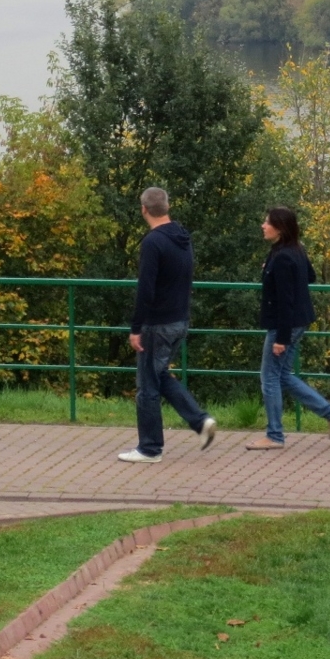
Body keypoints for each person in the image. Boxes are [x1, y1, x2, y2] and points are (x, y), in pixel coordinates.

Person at [120, 187, 217, 463]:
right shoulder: (182, 237)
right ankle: (200, 422)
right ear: (168, 206)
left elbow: (145, 289)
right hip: (179, 320)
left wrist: (136, 327)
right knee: (159, 375)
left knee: (147, 387)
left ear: (144, 209)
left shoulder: (153, 242)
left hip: (157, 324)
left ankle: (149, 448)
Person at [248, 207, 330, 450]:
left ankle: (274, 436)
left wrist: (281, 338)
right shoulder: (293, 251)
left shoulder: (282, 257)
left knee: (269, 377)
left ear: (279, 228)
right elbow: (309, 277)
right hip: (298, 322)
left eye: (267, 222)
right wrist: (271, 270)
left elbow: (285, 301)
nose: (263, 225)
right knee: (282, 376)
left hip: (285, 325)